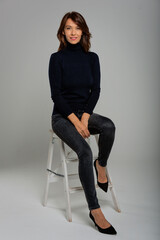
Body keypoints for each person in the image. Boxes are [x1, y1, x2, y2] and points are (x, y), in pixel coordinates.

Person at [48, 11, 117, 235]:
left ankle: (102, 166)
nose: (73, 32)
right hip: (62, 116)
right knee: (85, 152)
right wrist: (75, 121)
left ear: (83, 31)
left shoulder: (92, 58)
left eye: (77, 28)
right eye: (68, 28)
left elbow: (95, 90)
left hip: (83, 112)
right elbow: (56, 95)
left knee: (108, 126)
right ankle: (95, 210)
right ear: (62, 32)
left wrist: (85, 117)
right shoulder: (56, 59)